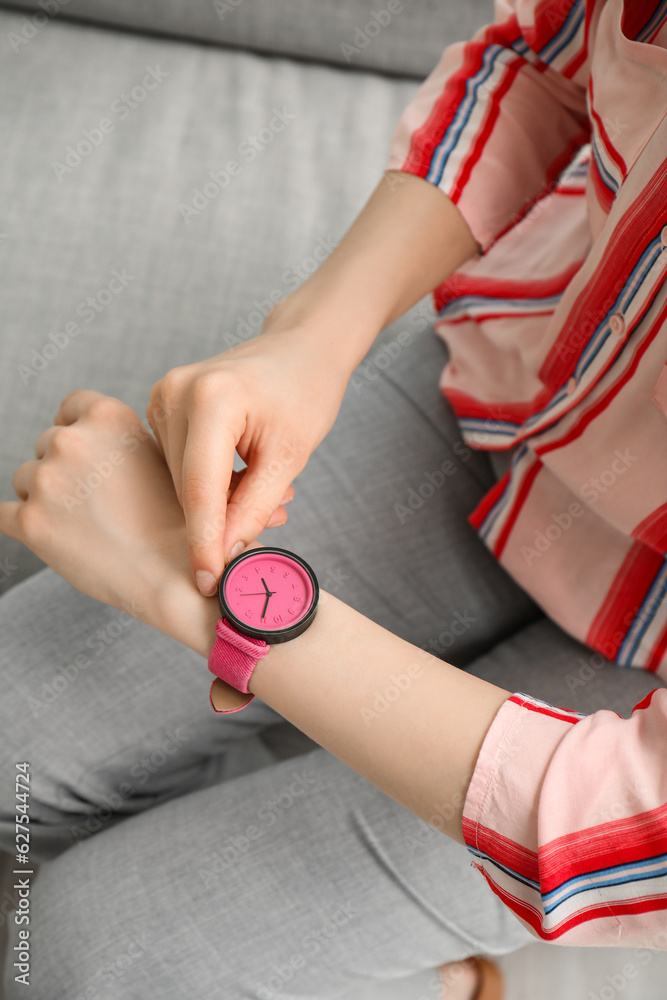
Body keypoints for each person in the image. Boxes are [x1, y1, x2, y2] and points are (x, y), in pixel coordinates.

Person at [1, 0, 666, 997]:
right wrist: (308, 339)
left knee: (90, 959)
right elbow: (540, 55)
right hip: (504, 387)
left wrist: (182, 591)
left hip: (630, 704)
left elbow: (614, 828)